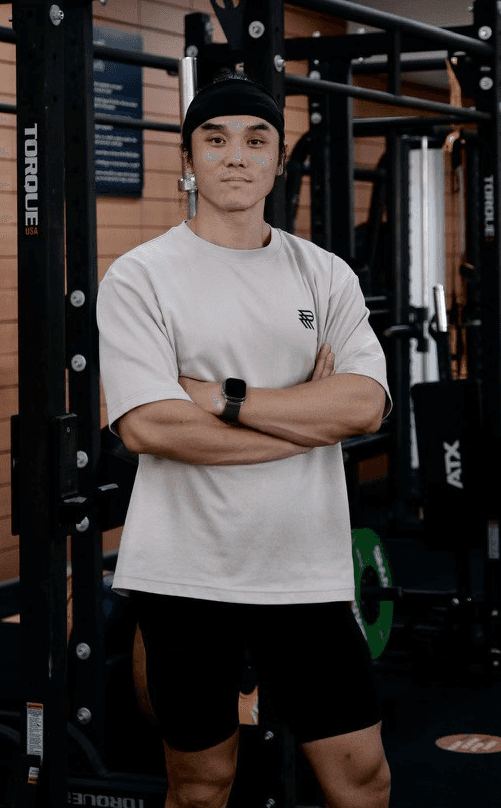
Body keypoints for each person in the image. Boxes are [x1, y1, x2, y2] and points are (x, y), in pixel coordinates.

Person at [97, 72, 392, 808]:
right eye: (217, 139)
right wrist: (306, 422)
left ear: (278, 160)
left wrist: (226, 400)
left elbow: (363, 406)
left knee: (363, 779)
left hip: (305, 570)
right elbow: (150, 426)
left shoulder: (325, 274)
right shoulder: (140, 277)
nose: (236, 156)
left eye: (257, 141)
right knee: (201, 785)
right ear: (188, 159)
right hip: (185, 575)